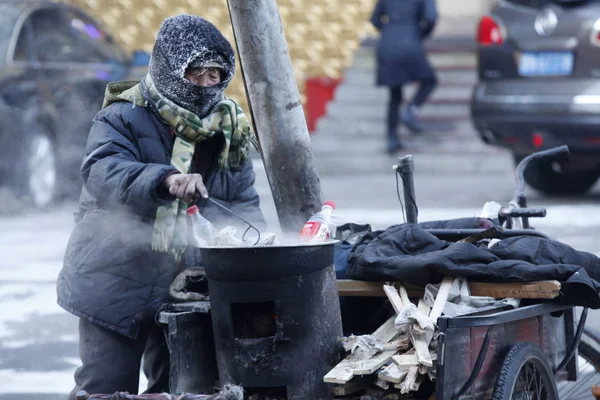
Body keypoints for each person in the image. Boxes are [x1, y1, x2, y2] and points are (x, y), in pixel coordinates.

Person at [56, 15, 265, 398]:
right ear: (170, 69)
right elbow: (103, 172)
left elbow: (241, 202)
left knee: (175, 387)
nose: (206, 84)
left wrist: (255, 247)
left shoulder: (228, 129)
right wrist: (165, 179)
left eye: (215, 75)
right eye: (196, 74)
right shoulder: (122, 115)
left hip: (183, 284)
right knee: (104, 387)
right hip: (112, 275)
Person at [370, 0, 439, 153]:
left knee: (395, 95)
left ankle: (391, 139)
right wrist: (421, 33)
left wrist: (389, 31)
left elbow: (375, 19)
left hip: (387, 45)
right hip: (411, 41)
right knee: (430, 81)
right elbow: (431, 17)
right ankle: (411, 110)